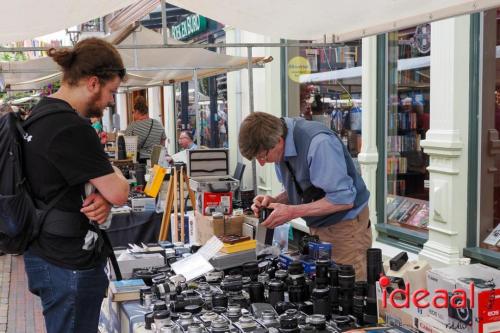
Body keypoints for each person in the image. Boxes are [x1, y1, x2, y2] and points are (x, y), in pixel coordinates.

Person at [22, 38, 130, 333]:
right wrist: (109, 190)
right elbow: (120, 192)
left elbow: (66, 181)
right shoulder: (71, 127)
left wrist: (101, 194)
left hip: (45, 253)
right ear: (93, 82)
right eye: (111, 92)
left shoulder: (39, 115)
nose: (110, 101)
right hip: (68, 261)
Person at [239, 112, 372, 280]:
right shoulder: (280, 143)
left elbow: (343, 199)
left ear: (279, 141)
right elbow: (304, 188)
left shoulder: (319, 144)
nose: (263, 163)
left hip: (345, 227)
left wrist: (292, 212)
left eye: (262, 156)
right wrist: (275, 201)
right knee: (323, 285)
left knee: (347, 288)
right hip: (319, 225)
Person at [124, 96, 166, 164]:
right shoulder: (158, 124)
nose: (133, 114)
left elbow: (126, 145)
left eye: (133, 112)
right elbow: (162, 142)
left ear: (137, 111)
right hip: (156, 161)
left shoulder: (132, 126)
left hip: (140, 161)